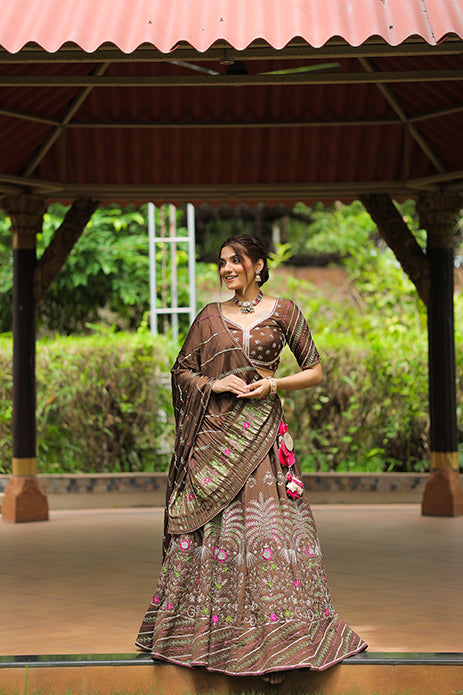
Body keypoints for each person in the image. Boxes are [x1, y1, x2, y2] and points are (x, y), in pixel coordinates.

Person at [136, 234, 366, 682]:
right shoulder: (208, 317)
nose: (226, 269)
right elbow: (182, 370)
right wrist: (213, 385)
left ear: (258, 265)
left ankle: (278, 643)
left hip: (262, 434)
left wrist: (274, 385)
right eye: (222, 262)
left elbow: (315, 370)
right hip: (216, 440)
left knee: (267, 534)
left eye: (235, 261)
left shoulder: (284, 312)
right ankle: (208, 638)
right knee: (216, 536)